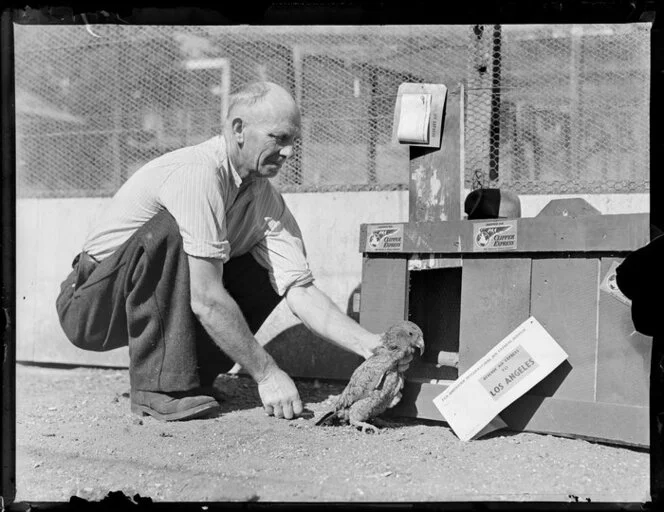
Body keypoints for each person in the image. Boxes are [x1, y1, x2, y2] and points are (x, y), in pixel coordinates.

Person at [56, 81, 412, 422]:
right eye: (279, 138)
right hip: (92, 305)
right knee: (175, 234)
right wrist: (268, 373)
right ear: (239, 129)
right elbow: (206, 299)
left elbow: (300, 291)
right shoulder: (197, 173)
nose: (289, 151)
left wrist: (368, 343)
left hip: (137, 301)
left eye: (294, 141)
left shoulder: (265, 198)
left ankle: (190, 378)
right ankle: (156, 387)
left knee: (266, 272)